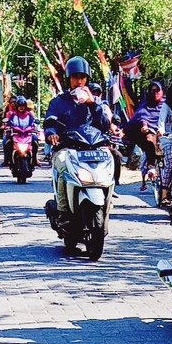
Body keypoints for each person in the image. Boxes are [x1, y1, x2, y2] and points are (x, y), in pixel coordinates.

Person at [45, 56, 111, 222]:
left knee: (112, 160)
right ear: (69, 79)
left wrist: (91, 104)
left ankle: (108, 204)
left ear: (87, 79)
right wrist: (51, 133)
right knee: (61, 166)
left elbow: (104, 125)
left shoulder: (95, 102)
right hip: (67, 148)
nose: (79, 81)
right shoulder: (59, 102)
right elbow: (50, 122)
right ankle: (63, 212)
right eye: (75, 77)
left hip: (93, 149)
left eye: (82, 77)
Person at [128, 79, 165, 191]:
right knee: (149, 143)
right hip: (151, 133)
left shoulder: (167, 104)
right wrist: (144, 126)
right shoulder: (145, 104)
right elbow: (142, 116)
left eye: (157, 90)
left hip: (166, 132)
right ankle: (148, 173)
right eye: (152, 91)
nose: (155, 93)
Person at [3, 96, 39, 167]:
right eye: (19, 106)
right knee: (7, 142)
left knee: (35, 140)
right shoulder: (12, 114)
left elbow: (34, 122)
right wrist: (7, 126)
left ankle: (34, 159)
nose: (21, 108)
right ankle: (8, 159)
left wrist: (35, 126)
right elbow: (8, 122)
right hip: (16, 134)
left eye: (23, 106)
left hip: (27, 134)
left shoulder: (29, 115)